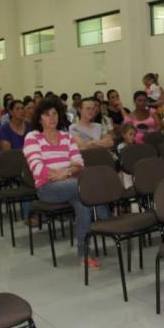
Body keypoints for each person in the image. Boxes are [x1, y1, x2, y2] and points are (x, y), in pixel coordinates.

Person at [23, 98, 110, 268]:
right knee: (83, 187)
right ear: (39, 118)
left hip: (72, 185)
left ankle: (84, 255)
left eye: (54, 113)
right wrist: (66, 174)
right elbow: (37, 168)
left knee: (83, 204)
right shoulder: (33, 137)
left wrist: (67, 172)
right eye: (46, 115)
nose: (52, 118)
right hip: (47, 188)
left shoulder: (66, 136)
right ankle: (107, 219)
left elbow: (79, 163)